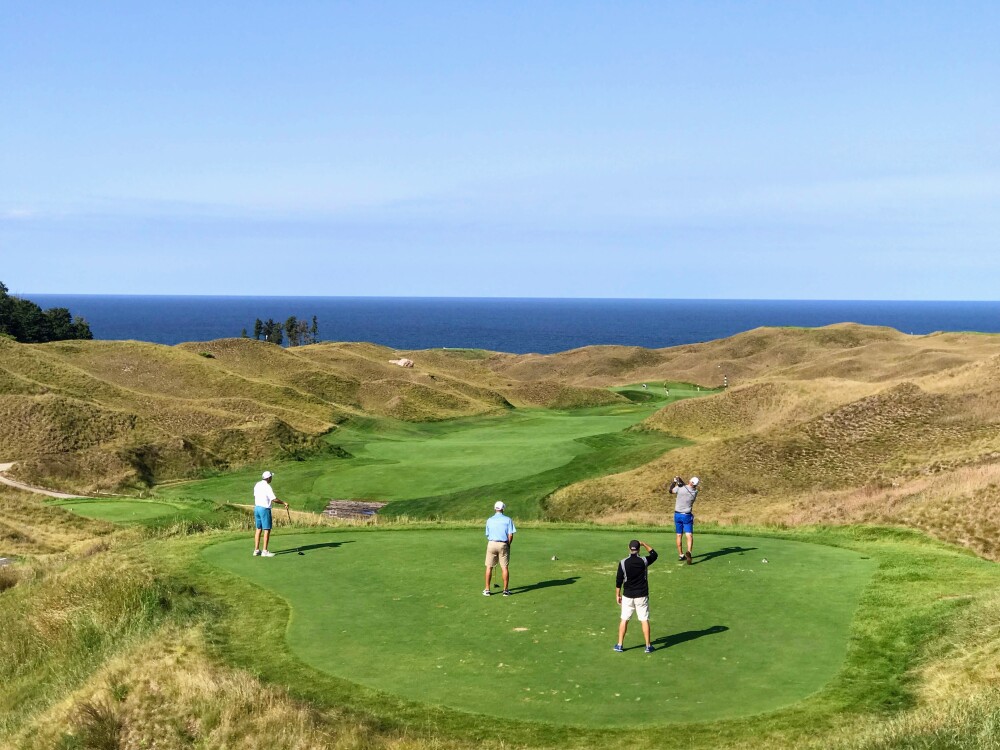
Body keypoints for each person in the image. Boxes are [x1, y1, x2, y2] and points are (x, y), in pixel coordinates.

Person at [614, 539, 658, 653]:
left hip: (627, 595)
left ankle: (619, 645)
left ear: (629, 548)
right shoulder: (644, 560)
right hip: (641, 595)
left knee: (624, 619)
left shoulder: (623, 562)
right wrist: (644, 544)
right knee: (644, 619)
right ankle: (648, 646)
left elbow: (619, 580)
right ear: (638, 549)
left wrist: (617, 594)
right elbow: (654, 554)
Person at [253, 470, 289, 557]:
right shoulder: (267, 486)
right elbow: (274, 499)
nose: (272, 478)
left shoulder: (257, 484)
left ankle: (256, 550)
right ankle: (265, 551)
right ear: (268, 478)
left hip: (257, 508)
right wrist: (284, 503)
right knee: (267, 529)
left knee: (258, 529)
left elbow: (255, 495)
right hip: (264, 509)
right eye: (271, 477)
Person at [484, 501, 516, 596]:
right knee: (504, 567)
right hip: (503, 544)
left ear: (495, 509)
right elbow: (510, 535)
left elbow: (487, 534)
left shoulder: (489, 520)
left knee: (489, 567)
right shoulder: (508, 520)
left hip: (491, 544)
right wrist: (508, 544)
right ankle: (505, 591)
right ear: (503, 509)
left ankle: (487, 590)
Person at [670, 476, 700, 564]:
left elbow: (670, 490)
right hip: (687, 516)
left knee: (679, 535)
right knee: (689, 535)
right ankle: (689, 552)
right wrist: (680, 481)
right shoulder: (695, 492)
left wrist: (674, 481)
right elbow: (686, 486)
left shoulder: (680, 488)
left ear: (690, 481)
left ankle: (681, 555)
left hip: (677, 515)